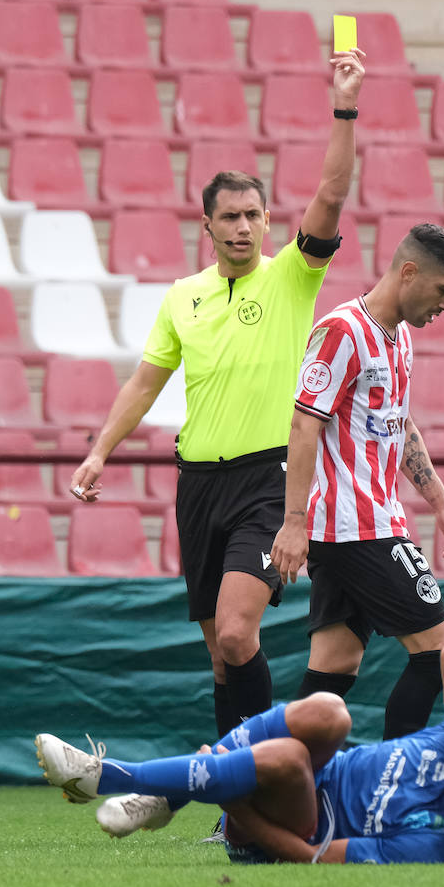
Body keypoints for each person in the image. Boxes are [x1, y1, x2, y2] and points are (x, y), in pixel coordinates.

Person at [66, 51, 367, 741]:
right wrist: (98, 453)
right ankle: (240, 803)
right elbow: (147, 380)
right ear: (206, 226)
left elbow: (330, 192)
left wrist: (344, 107)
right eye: (228, 216)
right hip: (198, 482)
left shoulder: (292, 276)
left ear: (268, 223)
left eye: (252, 215)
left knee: (237, 633)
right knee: (221, 656)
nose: (240, 226)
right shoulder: (183, 296)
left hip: (269, 478)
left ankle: (267, 774)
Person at [34, 641, 444, 864]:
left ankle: (102, 776)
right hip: (303, 773)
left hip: (293, 829)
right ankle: (171, 795)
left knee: (291, 760)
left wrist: (239, 813)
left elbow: (316, 858)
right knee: (331, 713)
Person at [269, 224, 444, 740]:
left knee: (329, 675)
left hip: (363, 527)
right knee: (442, 655)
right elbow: (303, 425)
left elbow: (398, 423)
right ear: (408, 272)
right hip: (356, 529)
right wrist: (294, 523)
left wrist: (443, 505)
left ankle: (259, 797)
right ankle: (389, 793)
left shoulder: (399, 335)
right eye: (443, 289)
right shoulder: (341, 332)